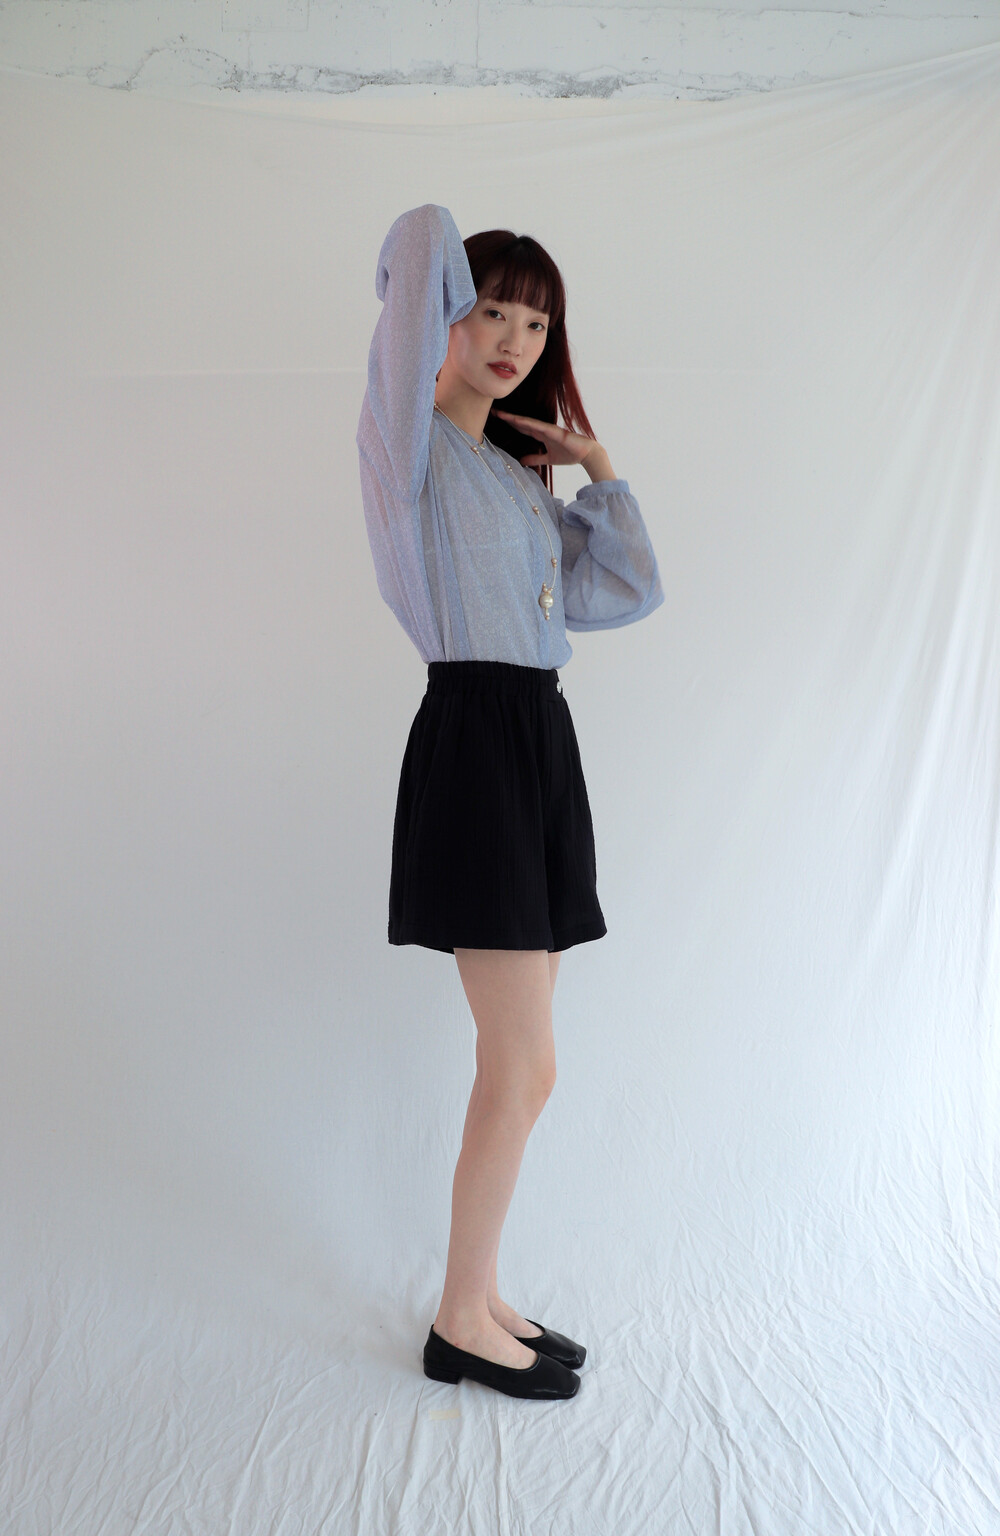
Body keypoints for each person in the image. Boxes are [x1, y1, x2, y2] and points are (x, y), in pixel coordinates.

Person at [356, 203, 664, 1401]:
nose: (513, 339)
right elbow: (420, 233)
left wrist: (597, 468)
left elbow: (621, 595)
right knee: (522, 1063)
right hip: (476, 744)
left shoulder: (516, 482)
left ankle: (477, 1299)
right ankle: (456, 1320)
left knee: (526, 1066)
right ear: (444, 313)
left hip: (538, 740)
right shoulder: (409, 446)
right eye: (491, 310)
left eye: (536, 324)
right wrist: (445, 292)